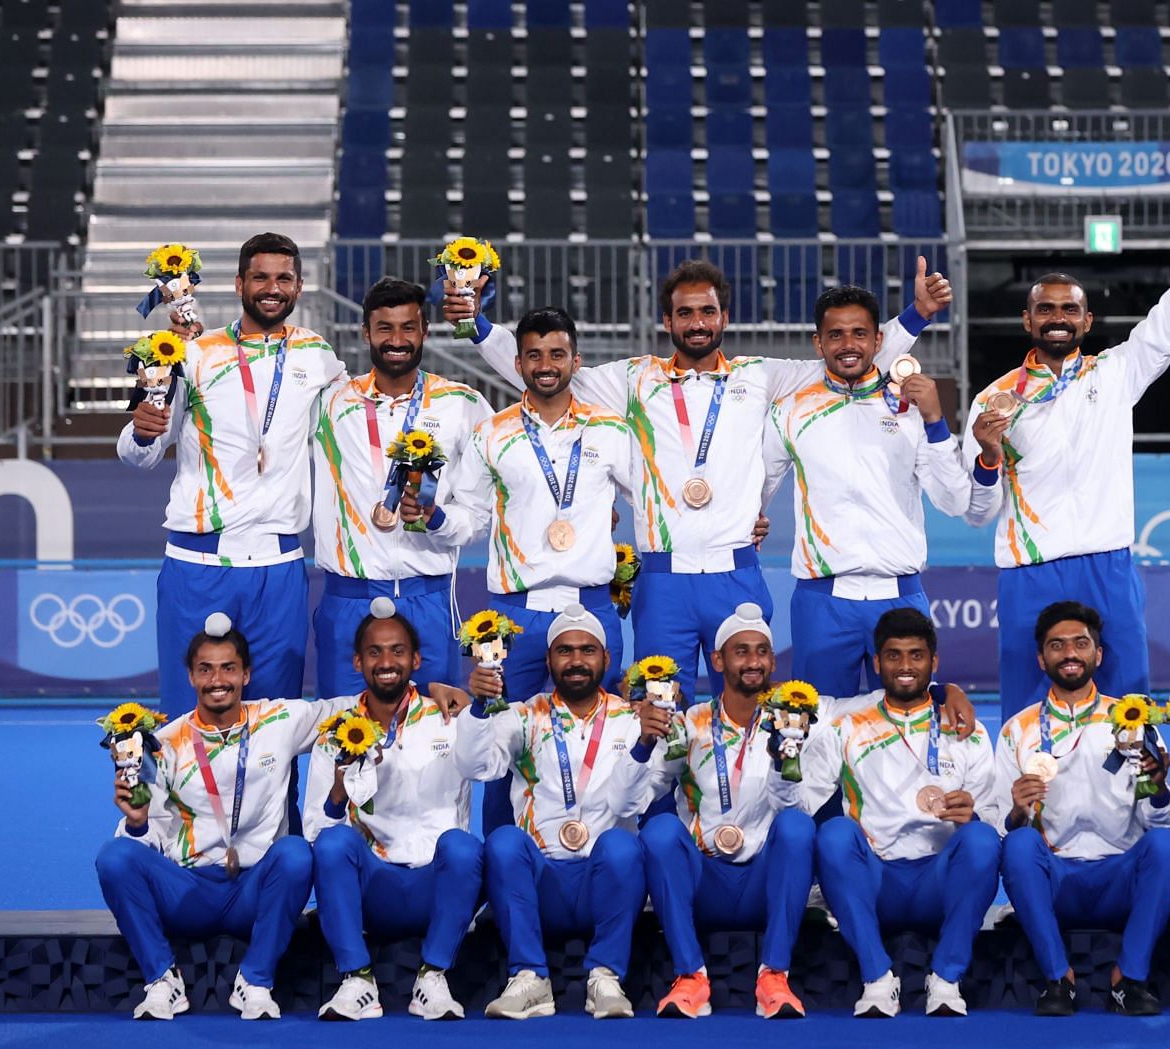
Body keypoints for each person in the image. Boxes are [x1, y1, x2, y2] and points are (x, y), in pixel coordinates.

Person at [452, 259, 952, 700]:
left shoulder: (760, 377)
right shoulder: (633, 380)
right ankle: (664, 812)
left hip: (736, 576)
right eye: (685, 313)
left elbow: (851, 356)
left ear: (724, 318)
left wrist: (917, 316)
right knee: (659, 708)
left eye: (707, 312)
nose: (697, 323)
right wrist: (477, 326)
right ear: (667, 320)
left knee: (750, 710)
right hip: (663, 581)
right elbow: (548, 375)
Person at [964, 175, 1170, 715]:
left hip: (1109, 565)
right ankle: (1028, 801)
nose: (1058, 318)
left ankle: (1135, 798)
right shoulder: (993, 400)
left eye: (1069, 309)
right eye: (1046, 310)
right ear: (1027, 319)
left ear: (1087, 320)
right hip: (1032, 571)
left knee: (1127, 700)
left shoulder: (1117, 372)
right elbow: (978, 512)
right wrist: (986, 457)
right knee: (1029, 709)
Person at [426, 307, 634, 834]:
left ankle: (603, 862)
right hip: (512, 619)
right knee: (499, 746)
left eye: (557, 354)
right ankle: (500, 873)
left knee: (599, 737)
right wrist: (432, 518)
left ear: (575, 361)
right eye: (535, 355)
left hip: (591, 611)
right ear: (517, 362)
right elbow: (469, 517)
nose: (546, 365)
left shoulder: (611, 430)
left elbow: (655, 502)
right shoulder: (492, 434)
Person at [118, 232, 343, 718]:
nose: (272, 287)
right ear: (240, 283)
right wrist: (140, 433)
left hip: (277, 569)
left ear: (299, 287)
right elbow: (143, 454)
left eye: (284, 278)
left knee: (274, 723)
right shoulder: (195, 354)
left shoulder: (317, 355)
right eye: (260, 277)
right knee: (186, 720)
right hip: (197, 565)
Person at [94, 614, 354, 1020]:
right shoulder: (163, 745)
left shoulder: (278, 719)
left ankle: (255, 982)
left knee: (296, 854)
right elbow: (140, 843)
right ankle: (162, 980)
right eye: (206, 669)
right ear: (191, 677)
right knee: (113, 857)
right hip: (188, 891)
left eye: (229, 668)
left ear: (246, 674)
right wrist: (137, 821)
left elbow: (352, 708)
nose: (218, 680)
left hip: (254, 889)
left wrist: (438, 693)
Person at [764, 285, 1001, 696]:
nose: (848, 345)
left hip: (900, 597)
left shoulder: (912, 408)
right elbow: (760, 484)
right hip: (822, 601)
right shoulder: (789, 409)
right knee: (813, 729)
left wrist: (934, 421)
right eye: (835, 335)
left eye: (859, 333)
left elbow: (954, 500)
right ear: (818, 343)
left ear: (879, 340)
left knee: (907, 727)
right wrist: (748, 519)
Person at [453, 605, 655, 1020]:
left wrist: (641, 749)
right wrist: (477, 708)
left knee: (623, 844)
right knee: (505, 842)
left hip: (603, 881)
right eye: (564, 651)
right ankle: (530, 978)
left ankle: (606, 977)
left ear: (606, 658)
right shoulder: (524, 715)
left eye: (587, 650)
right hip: (542, 881)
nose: (576, 660)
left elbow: (630, 806)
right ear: (548, 660)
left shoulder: (630, 721)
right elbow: (477, 767)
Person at [635, 602, 831, 1020]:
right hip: (705, 880)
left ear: (773, 660)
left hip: (764, 881)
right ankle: (690, 977)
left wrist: (783, 766)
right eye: (741, 651)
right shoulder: (688, 724)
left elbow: (798, 808)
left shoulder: (793, 724)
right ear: (718, 659)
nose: (753, 661)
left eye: (762, 651)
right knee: (660, 831)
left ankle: (774, 977)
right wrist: (643, 747)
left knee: (797, 828)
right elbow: (640, 797)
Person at [809, 607, 1004, 1017]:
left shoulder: (965, 725)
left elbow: (996, 817)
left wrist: (977, 815)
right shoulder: (847, 721)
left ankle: (947, 980)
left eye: (916, 655)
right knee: (833, 834)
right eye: (893, 656)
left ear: (934, 663)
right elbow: (800, 798)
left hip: (939, 880)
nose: (904, 666)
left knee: (983, 838)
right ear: (876, 662)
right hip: (876, 880)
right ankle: (878, 979)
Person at [996, 601, 1170, 1017]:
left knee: (1167, 847)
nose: (1070, 654)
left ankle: (1129, 978)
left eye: (1081, 644)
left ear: (1098, 654)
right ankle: (1058, 978)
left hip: (1121, 878)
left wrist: (1155, 788)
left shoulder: (1135, 721)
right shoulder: (1017, 729)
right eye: (1057, 646)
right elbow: (999, 828)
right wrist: (1015, 811)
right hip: (1056, 879)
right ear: (1041, 658)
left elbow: (1160, 823)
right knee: (1020, 845)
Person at [311, 278, 493, 696]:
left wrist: (438, 519)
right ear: (365, 332)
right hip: (347, 599)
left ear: (425, 331)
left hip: (428, 598)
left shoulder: (462, 406)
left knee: (436, 742)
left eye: (408, 328)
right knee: (346, 736)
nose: (397, 340)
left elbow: (480, 512)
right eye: (385, 328)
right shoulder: (328, 403)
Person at [303, 600, 481, 1021]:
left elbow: (489, 757)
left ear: (416, 660)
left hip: (432, 885)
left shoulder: (449, 716)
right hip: (374, 886)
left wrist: (473, 702)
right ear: (357, 661)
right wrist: (338, 790)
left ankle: (433, 978)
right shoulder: (336, 731)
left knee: (463, 847)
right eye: (375, 652)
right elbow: (315, 828)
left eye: (398, 651)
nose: (387, 662)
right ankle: (356, 981)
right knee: (331, 844)